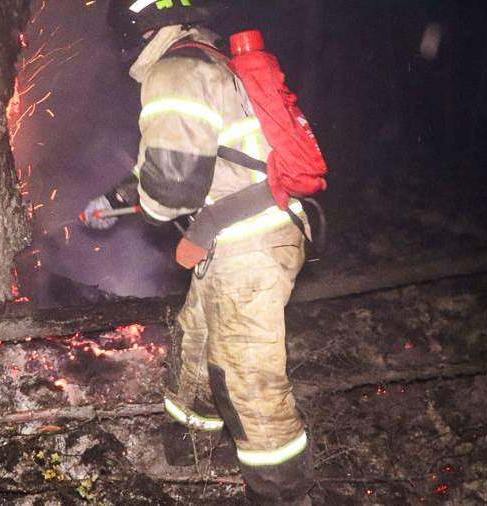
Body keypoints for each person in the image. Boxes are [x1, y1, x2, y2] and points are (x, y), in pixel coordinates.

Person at [85, 1, 316, 504]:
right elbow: (193, 156)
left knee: (247, 378)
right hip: (237, 239)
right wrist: (118, 198)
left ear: (136, 29)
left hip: (249, 247)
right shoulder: (205, 58)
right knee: (196, 341)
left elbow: (171, 191)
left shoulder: (175, 70)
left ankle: (281, 493)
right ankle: (190, 446)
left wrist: (147, 204)